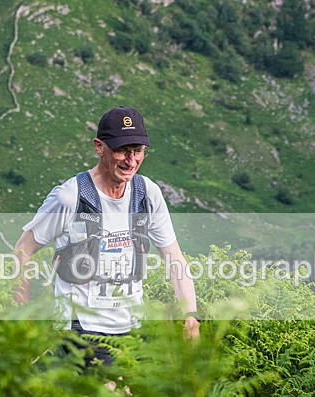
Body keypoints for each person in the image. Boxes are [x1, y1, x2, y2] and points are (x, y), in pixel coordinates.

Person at [13, 106, 199, 365]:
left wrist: (190, 314)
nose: (131, 161)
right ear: (99, 147)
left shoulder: (148, 194)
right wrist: (22, 318)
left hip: (132, 328)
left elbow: (175, 259)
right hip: (78, 329)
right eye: (122, 150)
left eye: (138, 151)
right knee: (115, 395)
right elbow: (23, 250)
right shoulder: (70, 196)